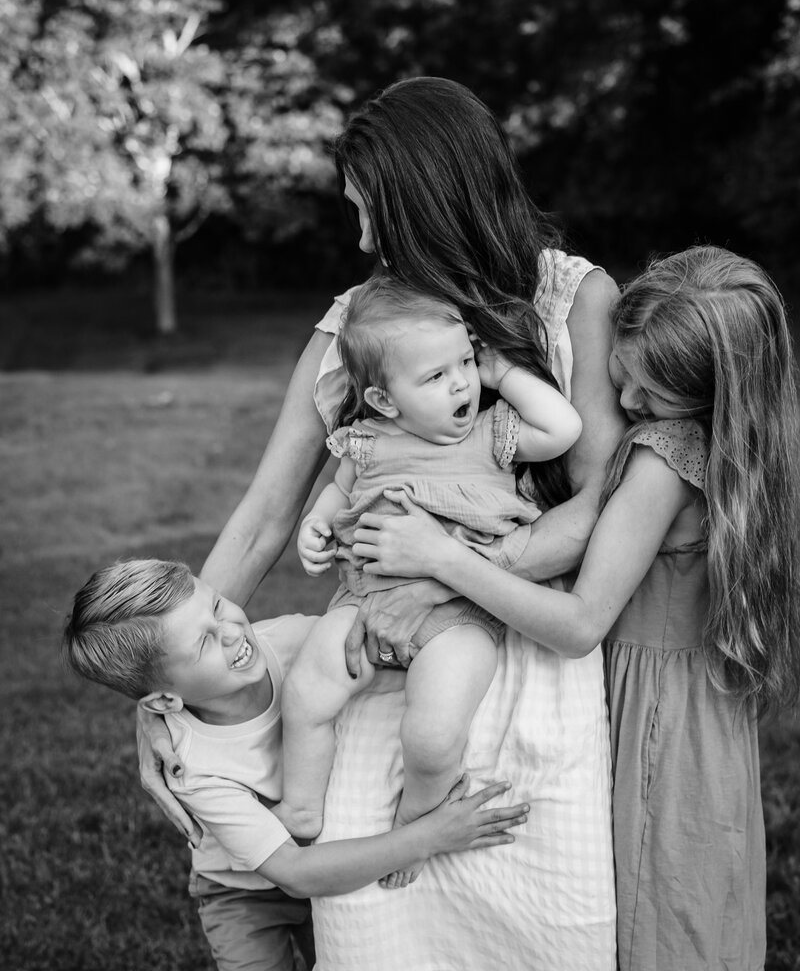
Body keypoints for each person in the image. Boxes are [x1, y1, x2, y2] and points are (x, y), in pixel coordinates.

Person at [139, 76, 624, 971]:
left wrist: (451, 561)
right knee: (377, 929)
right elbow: (266, 516)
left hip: (520, 633)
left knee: (544, 920)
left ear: (427, 204)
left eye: (370, 214)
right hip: (374, 651)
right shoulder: (359, 326)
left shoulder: (574, 298)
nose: (360, 240)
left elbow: (596, 501)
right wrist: (170, 685)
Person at [361, 246, 800, 971]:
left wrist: (443, 560)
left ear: (707, 392)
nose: (626, 407)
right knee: (696, 898)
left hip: (651, 713)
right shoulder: (739, 444)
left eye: (651, 398)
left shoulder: (664, 457)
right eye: (622, 377)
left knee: (658, 912)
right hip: (698, 708)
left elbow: (580, 624)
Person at [64, 558, 529, 971]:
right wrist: (429, 837)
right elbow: (295, 870)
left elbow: (389, 652)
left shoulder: (292, 640)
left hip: (328, 861)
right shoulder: (194, 768)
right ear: (165, 698)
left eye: (219, 605)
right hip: (244, 892)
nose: (231, 631)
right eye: (204, 643)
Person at [276, 276, 581, 880]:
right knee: (308, 687)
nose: (462, 382)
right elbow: (336, 492)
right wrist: (315, 525)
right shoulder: (366, 441)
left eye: (464, 362)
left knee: (434, 732)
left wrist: (503, 374)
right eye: (436, 377)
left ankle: (417, 818)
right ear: (385, 401)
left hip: (460, 614)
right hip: (362, 599)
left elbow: (564, 430)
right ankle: (301, 805)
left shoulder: (493, 433)